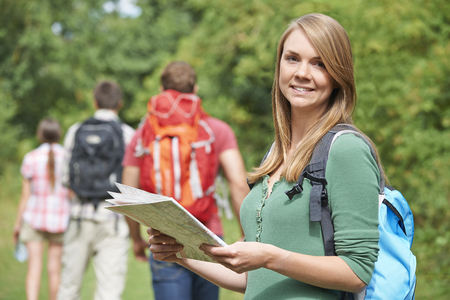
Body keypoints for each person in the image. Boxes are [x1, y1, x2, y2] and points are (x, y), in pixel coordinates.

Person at [147, 13, 382, 300]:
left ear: (338, 76)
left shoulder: (347, 150)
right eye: (292, 58)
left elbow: (357, 272)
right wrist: (181, 255)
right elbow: (254, 278)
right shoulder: (276, 152)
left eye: (319, 63)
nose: (302, 73)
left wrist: (271, 257)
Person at [122, 61, 249, 300]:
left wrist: (136, 238)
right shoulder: (216, 129)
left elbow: (129, 190)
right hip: (208, 235)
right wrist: (245, 234)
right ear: (196, 89)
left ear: (161, 89)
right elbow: (239, 183)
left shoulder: (144, 134)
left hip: (165, 238)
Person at [57, 81, 135, 300]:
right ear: (119, 104)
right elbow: (132, 184)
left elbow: (66, 179)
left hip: (79, 217)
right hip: (114, 220)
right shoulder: (127, 133)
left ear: (94, 101)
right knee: (109, 292)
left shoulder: (76, 130)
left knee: (69, 288)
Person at [13, 118, 70, 300]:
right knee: (54, 271)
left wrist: (17, 224)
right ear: (58, 134)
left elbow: (25, 196)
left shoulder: (31, 157)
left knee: (34, 270)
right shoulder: (67, 157)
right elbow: (71, 194)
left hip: (34, 219)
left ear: (40, 134)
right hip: (61, 219)